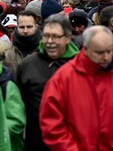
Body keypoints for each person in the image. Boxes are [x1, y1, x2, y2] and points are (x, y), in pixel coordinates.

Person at [39, 25, 113, 150]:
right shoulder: (63, 79)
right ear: (86, 49)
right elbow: (52, 126)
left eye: (109, 51)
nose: (106, 57)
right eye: (99, 52)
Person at [16, 13, 79, 151]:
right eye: (46, 36)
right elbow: (18, 103)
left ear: (68, 38)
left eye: (56, 36)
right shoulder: (28, 64)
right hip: (35, 141)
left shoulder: (79, 65)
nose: (50, 41)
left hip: (72, 142)